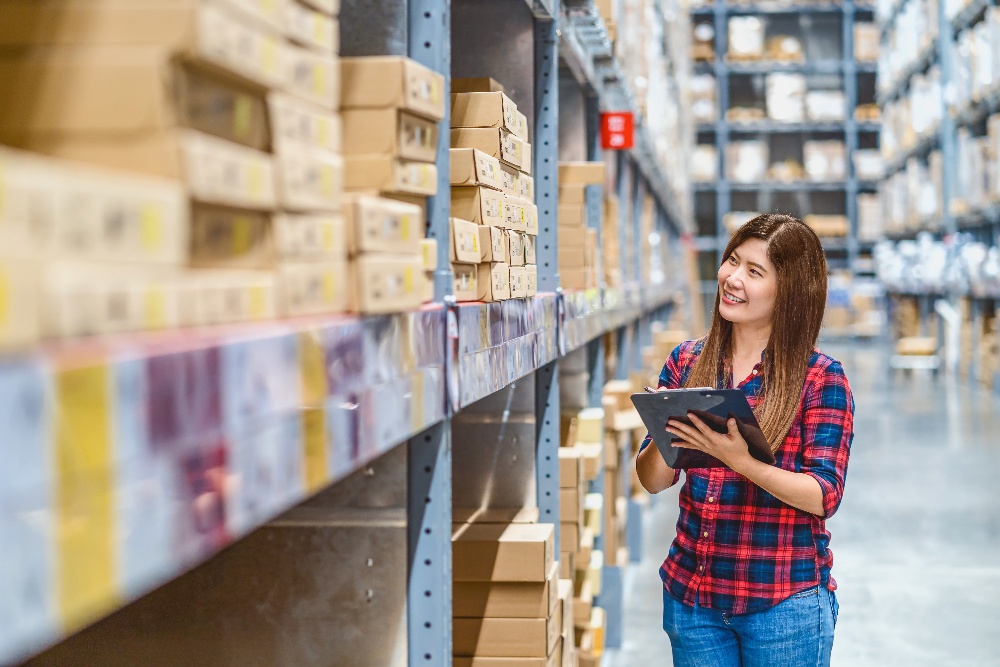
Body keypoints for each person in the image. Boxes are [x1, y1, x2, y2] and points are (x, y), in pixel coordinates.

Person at [635, 213, 855, 667]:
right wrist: (664, 428)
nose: (732, 279)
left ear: (789, 291)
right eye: (732, 261)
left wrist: (742, 462)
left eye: (754, 272)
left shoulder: (820, 378)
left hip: (782, 604)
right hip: (693, 598)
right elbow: (652, 480)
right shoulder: (688, 361)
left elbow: (823, 495)